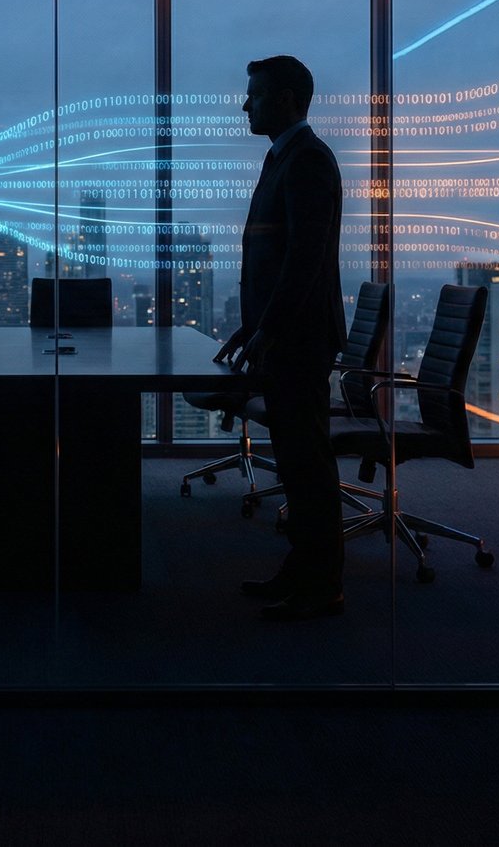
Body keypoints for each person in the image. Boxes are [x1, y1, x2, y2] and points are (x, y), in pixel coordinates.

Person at [214, 55, 348, 621]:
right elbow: (279, 256)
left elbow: (304, 260)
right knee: (296, 463)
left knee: (308, 465)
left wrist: (270, 326)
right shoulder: (284, 158)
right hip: (281, 335)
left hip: (297, 341)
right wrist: (253, 324)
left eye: (257, 95)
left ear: (288, 98)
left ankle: (322, 587)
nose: (247, 105)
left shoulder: (308, 161)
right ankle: (302, 572)